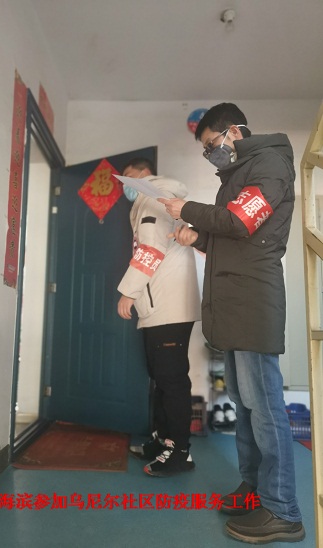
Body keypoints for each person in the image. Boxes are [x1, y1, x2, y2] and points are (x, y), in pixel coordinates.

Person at [159, 103, 305, 543]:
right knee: (244, 402)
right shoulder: (239, 174)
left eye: (211, 145)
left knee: (265, 407)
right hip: (237, 300)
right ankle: (254, 489)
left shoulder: (270, 164)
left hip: (253, 298)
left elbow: (241, 221)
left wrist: (187, 209)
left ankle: (283, 510)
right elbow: (233, 236)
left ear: (234, 132)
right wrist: (197, 236)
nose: (211, 154)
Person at [117, 157, 201, 477]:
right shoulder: (150, 199)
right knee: (162, 379)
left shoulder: (153, 196)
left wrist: (129, 292)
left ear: (144, 174)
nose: (125, 185)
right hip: (160, 306)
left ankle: (180, 453)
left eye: (128, 177)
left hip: (168, 306)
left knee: (171, 381)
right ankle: (164, 441)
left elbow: (151, 249)